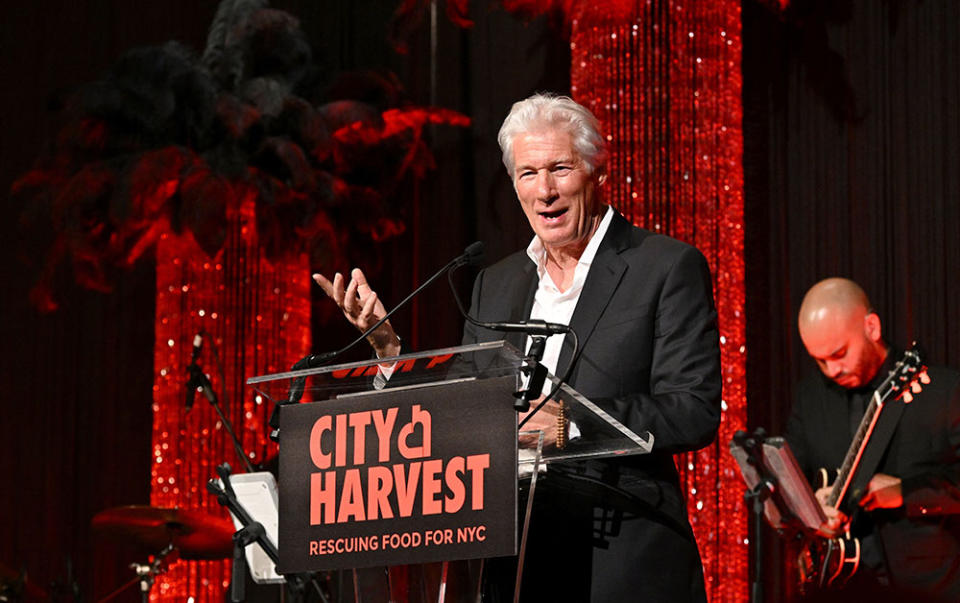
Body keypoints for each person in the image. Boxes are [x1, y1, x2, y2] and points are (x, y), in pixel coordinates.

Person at [314, 93, 721, 602]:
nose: (545, 191)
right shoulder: (496, 283)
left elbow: (692, 409)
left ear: (596, 169)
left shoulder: (664, 268)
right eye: (528, 174)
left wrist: (565, 423)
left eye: (560, 168)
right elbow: (466, 409)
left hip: (623, 562)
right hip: (514, 564)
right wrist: (387, 347)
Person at [785, 277, 960, 601]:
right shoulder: (810, 397)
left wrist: (905, 494)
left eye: (839, 354)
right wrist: (813, 508)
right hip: (841, 587)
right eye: (819, 360)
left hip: (930, 589)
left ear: (872, 327)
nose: (831, 370)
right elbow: (792, 479)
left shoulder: (942, 391)